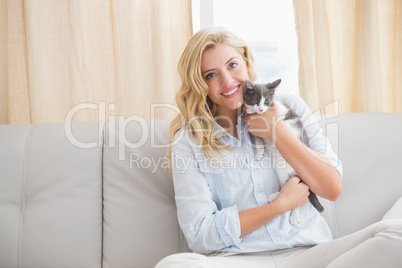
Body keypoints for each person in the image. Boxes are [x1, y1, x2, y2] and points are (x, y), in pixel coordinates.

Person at [156, 27, 402, 267]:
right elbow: (200, 234)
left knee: (396, 233)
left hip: (309, 254)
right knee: (174, 265)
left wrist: (278, 131)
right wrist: (279, 206)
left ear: (246, 64)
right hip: (238, 260)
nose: (227, 80)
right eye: (211, 75)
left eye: (232, 65)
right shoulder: (188, 140)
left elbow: (331, 188)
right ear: (200, 83)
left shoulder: (288, 104)